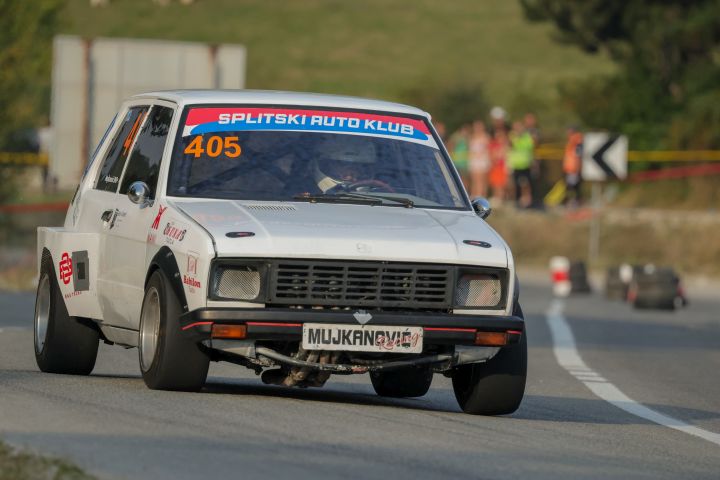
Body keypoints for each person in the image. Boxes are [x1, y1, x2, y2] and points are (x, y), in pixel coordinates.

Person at [508, 121, 535, 208]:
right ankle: (517, 200)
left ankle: (527, 201)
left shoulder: (527, 136)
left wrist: (519, 139)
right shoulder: (512, 136)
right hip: (515, 165)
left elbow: (529, 146)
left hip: (525, 165)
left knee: (525, 184)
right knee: (515, 184)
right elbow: (510, 146)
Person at [468, 120, 490, 197]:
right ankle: (474, 195)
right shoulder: (472, 137)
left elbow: (487, 148)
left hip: (482, 159)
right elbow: (470, 149)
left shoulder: (486, 137)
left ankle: (481, 195)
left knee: (481, 179)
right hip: (474, 159)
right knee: (474, 179)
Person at [563, 126, 583, 207]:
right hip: (570, 167)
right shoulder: (573, 140)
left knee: (572, 186)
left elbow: (578, 155)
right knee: (571, 185)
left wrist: (578, 167)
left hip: (573, 168)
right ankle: (573, 200)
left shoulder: (577, 141)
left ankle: (574, 200)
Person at [488, 127, 509, 204]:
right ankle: (496, 196)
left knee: (501, 183)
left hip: (502, 166)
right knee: (495, 182)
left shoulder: (505, 144)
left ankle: (500, 197)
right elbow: (492, 155)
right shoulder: (494, 144)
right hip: (495, 166)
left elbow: (504, 155)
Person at [449, 125, 470, 190]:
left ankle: (465, 192)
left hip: (464, 163)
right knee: (455, 179)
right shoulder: (456, 137)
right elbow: (450, 146)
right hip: (455, 162)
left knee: (464, 179)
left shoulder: (468, 139)